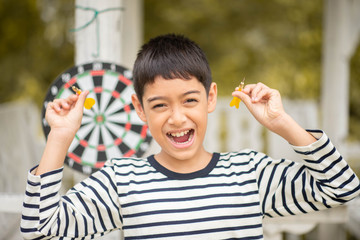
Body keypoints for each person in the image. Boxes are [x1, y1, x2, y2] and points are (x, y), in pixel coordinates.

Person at [21, 34, 360, 239]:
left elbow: (343, 189)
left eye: (190, 100)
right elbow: (40, 230)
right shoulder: (123, 180)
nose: (177, 117)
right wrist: (60, 137)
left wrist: (283, 123)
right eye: (159, 105)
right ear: (140, 109)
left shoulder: (248, 174)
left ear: (211, 97)